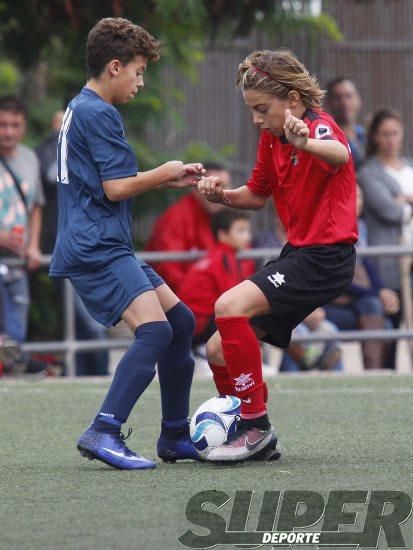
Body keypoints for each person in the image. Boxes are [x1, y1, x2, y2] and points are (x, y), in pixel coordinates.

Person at [49, 17, 205, 470]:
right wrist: (166, 170)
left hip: (102, 241)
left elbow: (108, 183)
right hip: (96, 245)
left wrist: (162, 180)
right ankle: (105, 429)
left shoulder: (80, 106)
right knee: (155, 330)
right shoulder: (100, 112)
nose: (140, 82)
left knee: (179, 320)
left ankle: (175, 435)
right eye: (138, 71)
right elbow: (116, 187)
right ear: (114, 67)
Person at [196, 49, 357, 462]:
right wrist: (223, 197)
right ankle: (248, 428)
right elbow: (256, 194)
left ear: (292, 98)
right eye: (251, 110)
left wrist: (306, 140)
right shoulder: (271, 139)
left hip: (325, 257)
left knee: (228, 305)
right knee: (217, 350)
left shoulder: (319, 127)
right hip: (299, 254)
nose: (256, 119)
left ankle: (255, 427)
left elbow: (340, 154)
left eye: (262, 109)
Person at [36, 110, 109, 376]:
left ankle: (90, 377)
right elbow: (49, 175)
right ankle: (96, 379)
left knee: (89, 324)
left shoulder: (90, 152)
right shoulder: (46, 152)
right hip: (66, 250)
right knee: (88, 324)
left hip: (92, 247)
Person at [357, 108, 413, 368]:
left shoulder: (410, 167)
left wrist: (404, 201)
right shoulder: (369, 173)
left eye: (395, 133)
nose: (391, 139)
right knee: (390, 334)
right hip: (390, 264)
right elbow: (389, 211)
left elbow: (397, 208)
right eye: (385, 134)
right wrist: (401, 204)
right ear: (375, 137)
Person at [324, 185, 399, 369]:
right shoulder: (329, 228)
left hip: (354, 302)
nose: (355, 202)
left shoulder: (361, 226)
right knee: (374, 308)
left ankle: (378, 374)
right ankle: (375, 373)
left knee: (386, 322)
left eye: (359, 196)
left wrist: (382, 290)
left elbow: (367, 263)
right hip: (327, 303)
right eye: (350, 196)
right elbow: (338, 277)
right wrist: (374, 294)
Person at [145, 162, 232, 292]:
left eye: (224, 186)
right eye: (213, 186)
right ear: (197, 188)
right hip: (179, 299)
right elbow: (169, 269)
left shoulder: (227, 215)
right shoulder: (177, 217)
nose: (219, 191)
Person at [0, 96, 44, 343]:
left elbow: (35, 206)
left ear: (24, 127)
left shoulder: (29, 158)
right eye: (2, 124)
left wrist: (34, 245)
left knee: (16, 336)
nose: (8, 132)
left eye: (14, 125)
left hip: (18, 262)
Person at [178, 210, 255, 347]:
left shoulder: (217, 255)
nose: (247, 237)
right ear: (222, 235)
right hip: (199, 326)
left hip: (188, 324)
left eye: (247, 231)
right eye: (240, 231)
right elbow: (232, 298)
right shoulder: (223, 258)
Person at [279, 308, 343, 373]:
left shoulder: (330, 328)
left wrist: (321, 371)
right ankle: (290, 378)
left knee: (336, 352)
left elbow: (336, 353)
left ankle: (339, 378)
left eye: (317, 311)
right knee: (289, 347)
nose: (315, 315)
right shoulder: (295, 327)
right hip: (299, 363)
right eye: (311, 311)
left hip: (321, 363)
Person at [325, 77, 365, 170]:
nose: (344, 102)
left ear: (358, 100)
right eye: (338, 97)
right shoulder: (325, 137)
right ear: (328, 103)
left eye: (349, 96)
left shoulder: (366, 135)